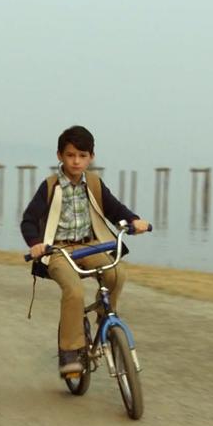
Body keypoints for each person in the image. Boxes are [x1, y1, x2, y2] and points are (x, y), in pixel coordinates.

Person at [20, 125, 150, 376]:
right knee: (74, 291)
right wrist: (35, 243)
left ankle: (105, 316)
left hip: (89, 244)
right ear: (59, 156)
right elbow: (28, 220)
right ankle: (69, 351)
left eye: (82, 155)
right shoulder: (49, 186)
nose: (76, 161)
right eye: (70, 155)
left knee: (117, 274)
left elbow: (115, 209)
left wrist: (134, 220)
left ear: (91, 157)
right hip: (58, 250)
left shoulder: (93, 182)